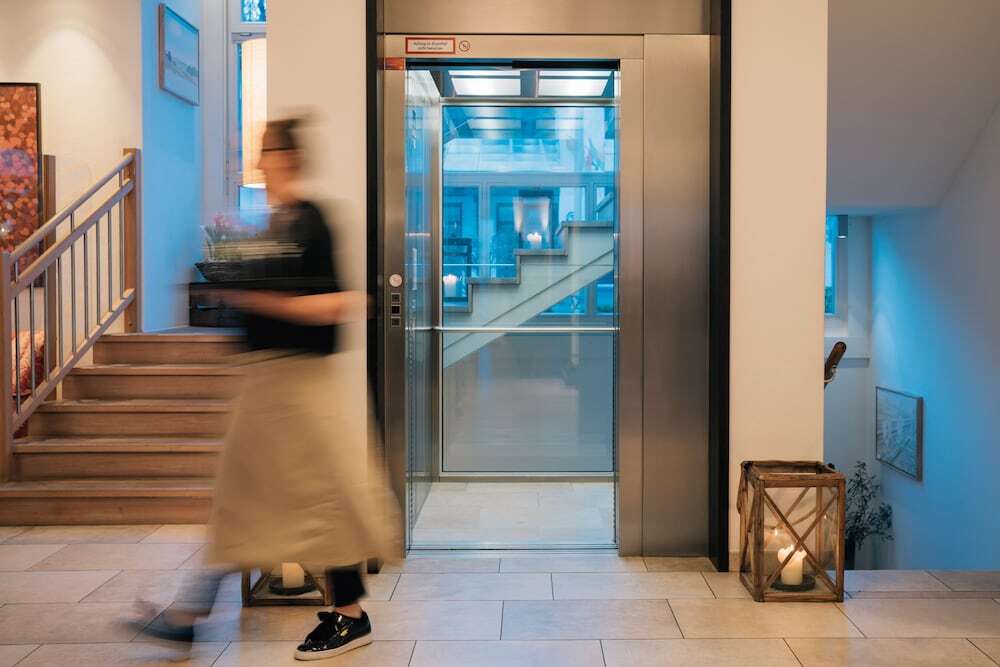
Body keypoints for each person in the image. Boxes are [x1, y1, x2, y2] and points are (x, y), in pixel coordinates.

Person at [135, 117, 399, 662]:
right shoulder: (273, 225)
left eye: (267, 150)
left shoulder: (312, 220)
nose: (259, 160)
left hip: (300, 386)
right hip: (268, 384)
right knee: (243, 502)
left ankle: (349, 616)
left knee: (323, 500)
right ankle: (191, 614)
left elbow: (345, 302)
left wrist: (258, 300)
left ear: (289, 157)